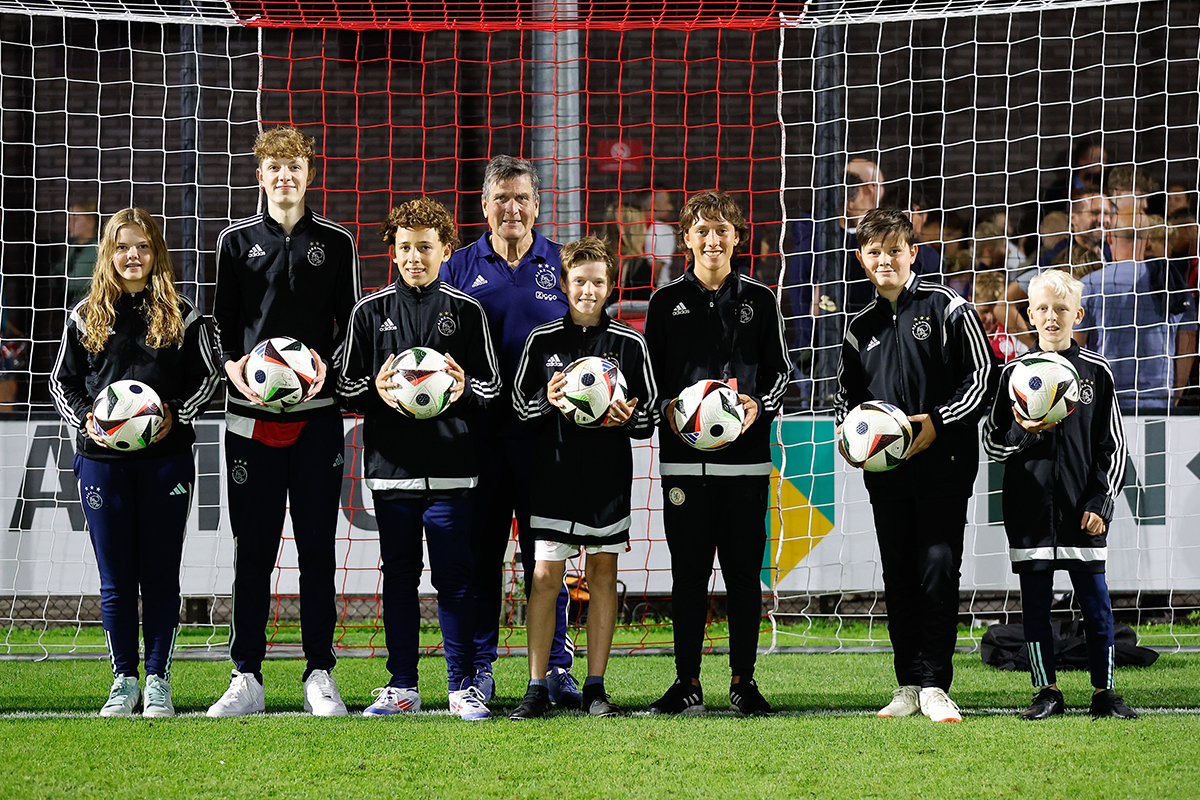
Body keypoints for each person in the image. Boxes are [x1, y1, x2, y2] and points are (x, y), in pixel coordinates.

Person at [208, 125, 361, 717]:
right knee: (255, 548)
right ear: (260, 176)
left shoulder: (337, 240)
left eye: (295, 167)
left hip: (318, 417)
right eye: (275, 168)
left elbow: (350, 325)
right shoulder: (233, 241)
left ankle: (320, 671)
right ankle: (246, 674)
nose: (285, 177)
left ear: (309, 173)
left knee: (317, 546)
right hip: (252, 418)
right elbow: (221, 328)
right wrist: (236, 370)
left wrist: (330, 370)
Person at [49, 207, 221, 716]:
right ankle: (124, 678)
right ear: (109, 253)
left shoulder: (181, 313)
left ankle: (159, 680)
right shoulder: (84, 315)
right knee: (116, 576)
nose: (133, 256)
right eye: (123, 246)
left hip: (165, 460)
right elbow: (63, 381)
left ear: (156, 253)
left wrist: (176, 413)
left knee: (161, 573)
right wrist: (86, 419)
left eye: (143, 247)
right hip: (101, 463)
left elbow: (207, 380)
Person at [337, 197, 500, 721]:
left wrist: (463, 386)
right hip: (392, 473)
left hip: (454, 470)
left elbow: (495, 389)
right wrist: (378, 392)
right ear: (392, 251)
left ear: (445, 250)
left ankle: (463, 686)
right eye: (405, 248)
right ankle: (402, 684)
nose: (414, 258)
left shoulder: (467, 310)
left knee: (455, 579)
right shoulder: (369, 312)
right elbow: (344, 387)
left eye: (425, 248)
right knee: (400, 578)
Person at [834, 207, 995, 723]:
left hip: (945, 464)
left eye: (895, 251)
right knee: (899, 573)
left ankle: (935, 685)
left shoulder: (947, 307)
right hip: (887, 472)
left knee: (938, 568)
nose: (885, 260)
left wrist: (939, 422)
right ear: (862, 258)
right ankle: (907, 684)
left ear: (912, 253)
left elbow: (984, 378)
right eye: (875, 252)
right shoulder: (859, 328)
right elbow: (847, 400)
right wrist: (847, 437)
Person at [643, 191, 791, 716]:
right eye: (702, 230)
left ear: (736, 237)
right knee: (687, 574)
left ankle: (742, 681)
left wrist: (758, 405)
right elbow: (651, 381)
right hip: (684, 463)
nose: (713, 239)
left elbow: (782, 375)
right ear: (686, 239)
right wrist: (668, 411)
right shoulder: (664, 303)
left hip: (746, 463)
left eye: (722, 229)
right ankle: (687, 682)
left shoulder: (761, 298)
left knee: (743, 574)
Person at [441, 155, 580, 707]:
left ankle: (558, 668)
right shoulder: (458, 266)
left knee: (546, 562)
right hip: (479, 440)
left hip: (546, 440)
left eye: (521, 197)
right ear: (484, 206)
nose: (512, 208)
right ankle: (480, 668)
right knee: (481, 558)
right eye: (501, 198)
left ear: (538, 205)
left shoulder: (560, 263)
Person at [508, 236, 658, 719]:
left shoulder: (629, 343)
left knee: (602, 576)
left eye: (597, 281)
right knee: (545, 575)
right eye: (579, 281)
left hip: (606, 479)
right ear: (565, 286)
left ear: (610, 285)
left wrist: (625, 415)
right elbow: (517, 407)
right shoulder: (543, 341)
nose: (588, 290)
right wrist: (548, 400)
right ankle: (535, 685)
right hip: (552, 475)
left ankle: (595, 686)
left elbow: (648, 417)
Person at [982, 269, 1135, 719]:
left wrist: (1100, 503)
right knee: (1034, 605)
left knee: (1096, 601)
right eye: (1043, 309)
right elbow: (992, 442)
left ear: (1078, 314)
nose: (1052, 317)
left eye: (1062, 309)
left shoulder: (1097, 372)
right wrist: (1025, 434)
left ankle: (1105, 692)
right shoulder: (1011, 373)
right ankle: (1046, 691)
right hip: (1029, 510)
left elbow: (1114, 447)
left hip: (1080, 512)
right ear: (1029, 313)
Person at [1076, 210, 1197, 413]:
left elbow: (1075, 349)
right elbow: (1188, 343)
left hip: (1105, 405)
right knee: (1155, 445)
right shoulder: (1171, 284)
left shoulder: (1088, 285)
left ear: (1109, 237)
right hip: (1157, 403)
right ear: (1148, 239)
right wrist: (1174, 394)